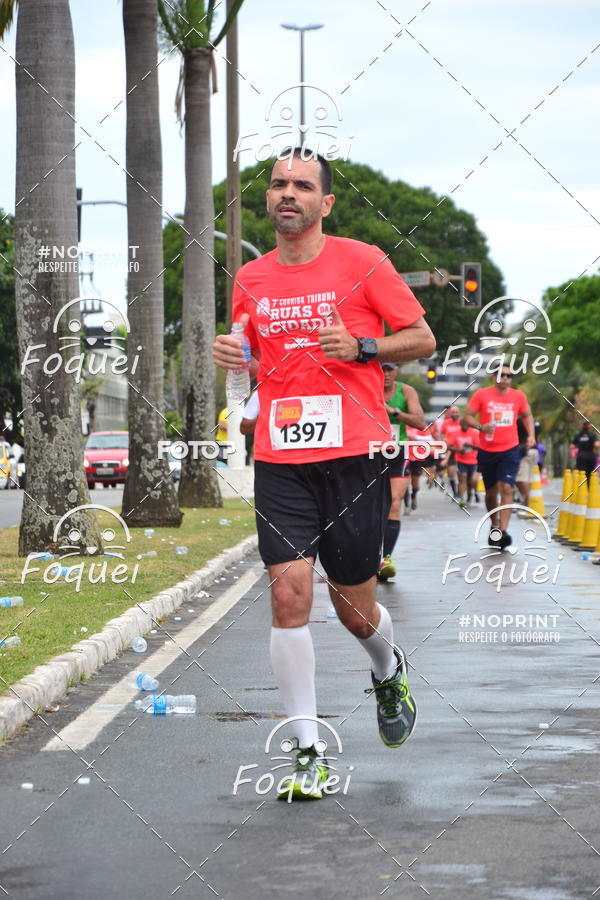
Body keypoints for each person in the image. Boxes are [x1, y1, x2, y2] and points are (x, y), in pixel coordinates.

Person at [212, 148, 435, 800]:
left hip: (357, 455)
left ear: (324, 202)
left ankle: (387, 667)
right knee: (287, 595)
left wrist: (364, 346)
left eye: (302, 185)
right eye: (279, 183)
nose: (289, 193)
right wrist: (236, 354)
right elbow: (253, 360)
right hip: (282, 458)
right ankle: (307, 753)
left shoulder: (363, 261)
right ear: (270, 199)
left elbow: (421, 338)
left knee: (352, 609)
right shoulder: (250, 276)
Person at [463, 367, 535, 550]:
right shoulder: (482, 395)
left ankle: (503, 531)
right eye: (501, 375)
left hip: (510, 449)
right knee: (491, 493)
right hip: (487, 450)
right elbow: (467, 417)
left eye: (509, 375)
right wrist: (481, 426)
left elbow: (527, 415)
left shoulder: (518, 396)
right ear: (494, 377)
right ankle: (494, 524)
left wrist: (531, 435)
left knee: (507, 487)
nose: (505, 378)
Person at [378, 364, 425, 580]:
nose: (386, 374)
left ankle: (385, 559)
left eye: (390, 369)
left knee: (394, 503)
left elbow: (420, 422)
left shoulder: (406, 391)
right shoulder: (368, 387)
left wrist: (395, 412)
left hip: (398, 451)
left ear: (396, 370)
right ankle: (369, 555)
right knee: (368, 506)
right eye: (381, 369)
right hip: (368, 451)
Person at [451, 420, 480, 508]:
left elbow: (479, 446)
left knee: (472, 480)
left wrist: (470, 445)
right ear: (460, 424)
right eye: (463, 424)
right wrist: (458, 450)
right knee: (462, 477)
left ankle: (471, 493)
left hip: (473, 460)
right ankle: (462, 499)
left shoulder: (474, 433)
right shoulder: (455, 433)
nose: (464, 426)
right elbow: (449, 446)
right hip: (461, 460)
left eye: (466, 424)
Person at [515, 415, 538, 508]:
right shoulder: (533, 422)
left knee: (520, 479)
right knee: (529, 478)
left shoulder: (519, 421)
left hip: (525, 452)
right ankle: (528, 500)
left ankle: (528, 501)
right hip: (533, 451)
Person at [440, 407, 461, 498]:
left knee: (462, 474)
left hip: (461, 451)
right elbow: (441, 435)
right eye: (453, 412)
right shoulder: (446, 423)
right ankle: (455, 492)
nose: (454, 414)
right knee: (451, 473)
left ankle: (463, 493)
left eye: (456, 412)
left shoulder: (462, 423)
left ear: (459, 413)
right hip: (449, 450)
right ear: (450, 413)